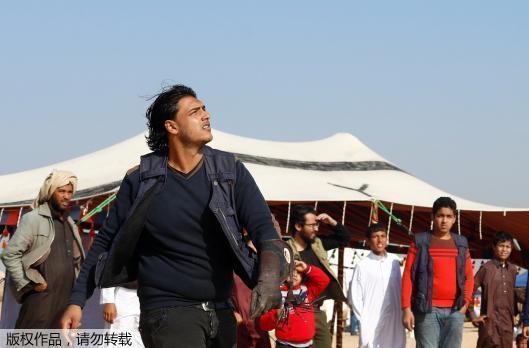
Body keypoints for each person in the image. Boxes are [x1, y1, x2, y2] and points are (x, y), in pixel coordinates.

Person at [62, 84, 287, 348]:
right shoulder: (141, 180)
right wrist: (77, 300)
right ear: (172, 126)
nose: (206, 115)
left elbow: (265, 231)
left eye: (204, 108)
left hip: (221, 310)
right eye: (195, 111)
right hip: (167, 312)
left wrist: (270, 279)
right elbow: (105, 243)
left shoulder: (230, 172)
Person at [1, 170, 84, 329]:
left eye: (69, 192)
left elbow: (77, 261)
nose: (66, 196)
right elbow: (10, 254)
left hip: (65, 304)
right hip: (40, 303)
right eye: (61, 191)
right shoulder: (33, 219)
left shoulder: (70, 224)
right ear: (50, 191)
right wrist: (27, 283)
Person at [402, 196, 474, 348]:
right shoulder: (420, 242)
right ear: (433, 217)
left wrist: (465, 304)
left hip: (456, 310)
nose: (444, 220)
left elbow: (469, 277)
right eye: (440, 215)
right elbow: (408, 275)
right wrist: (406, 308)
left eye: (449, 216)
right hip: (427, 311)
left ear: (454, 219)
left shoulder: (461, 244)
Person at [290, 205, 351, 348]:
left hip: (317, 311)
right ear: (298, 226)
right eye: (312, 225)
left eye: (317, 225)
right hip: (297, 311)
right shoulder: (286, 250)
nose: (316, 229)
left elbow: (345, 238)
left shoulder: (318, 244)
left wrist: (331, 222)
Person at [348, 223, 405, 348]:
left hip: (394, 317)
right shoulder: (362, 265)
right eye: (375, 236)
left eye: (383, 236)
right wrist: (363, 319)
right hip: (371, 318)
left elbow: (401, 287)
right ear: (368, 241)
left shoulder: (394, 261)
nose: (380, 240)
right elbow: (356, 296)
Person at [259, 260, 330, 348]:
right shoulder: (275, 294)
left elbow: (324, 280)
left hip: (308, 345)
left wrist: (307, 268)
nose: (295, 274)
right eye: (291, 270)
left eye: (299, 272)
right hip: (285, 345)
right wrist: (275, 315)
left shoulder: (307, 291)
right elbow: (264, 325)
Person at [469, 231, 520, 348]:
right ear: (494, 247)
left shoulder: (512, 269)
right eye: (501, 246)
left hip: (507, 323)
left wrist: (516, 315)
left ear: (511, 248)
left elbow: (514, 294)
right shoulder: (486, 268)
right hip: (489, 322)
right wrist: (473, 315)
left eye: (508, 247)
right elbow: (470, 290)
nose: (504, 250)